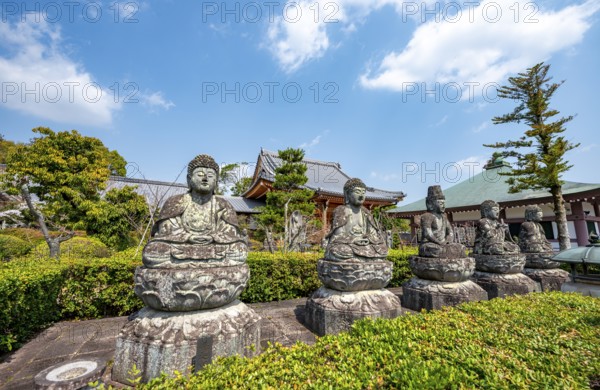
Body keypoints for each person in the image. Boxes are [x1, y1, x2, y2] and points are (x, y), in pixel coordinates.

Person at [142, 154, 247, 268]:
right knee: (152, 251)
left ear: (216, 181)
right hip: (181, 247)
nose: (205, 178)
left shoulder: (223, 205)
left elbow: (230, 233)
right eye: (200, 174)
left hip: (215, 248)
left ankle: (184, 265)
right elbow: (165, 230)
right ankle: (209, 264)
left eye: (210, 175)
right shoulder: (175, 202)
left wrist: (213, 237)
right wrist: (187, 237)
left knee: (239, 250)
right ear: (189, 179)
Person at [324, 178, 387, 261]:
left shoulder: (366, 212)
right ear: (347, 194)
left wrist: (367, 239)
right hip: (347, 245)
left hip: (365, 244)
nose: (361, 196)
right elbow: (337, 236)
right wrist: (354, 239)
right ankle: (366, 259)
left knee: (382, 249)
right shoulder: (341, 210)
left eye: (363, 193)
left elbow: (373, 234)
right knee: (338, 250)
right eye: (357, 192)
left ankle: (360, 258)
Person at [418, 185, 466, 258]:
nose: (443, 206)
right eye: (440, 204)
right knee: (435, 249)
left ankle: (447, 250)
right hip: (430, 244)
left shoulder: (444, 216)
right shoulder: (427, 216)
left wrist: (448, 240)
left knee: (460, 247)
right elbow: (428, 233)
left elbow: (450, 231)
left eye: (444, 203)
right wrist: (439, 242)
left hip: (444, 243)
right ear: (430, 204)